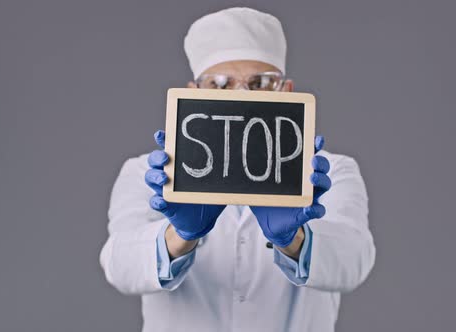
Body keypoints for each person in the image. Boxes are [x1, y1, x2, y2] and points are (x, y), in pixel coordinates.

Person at [100, 7, 376, 332]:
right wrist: (180, 236)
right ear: (195, 93)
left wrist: (293, 239)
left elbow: (353, 262)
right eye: (220, 84)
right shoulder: (146, 173)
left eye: (260, 82)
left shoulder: (330, 171)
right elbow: (119, 266)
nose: (241, 96)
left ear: (286, 92)